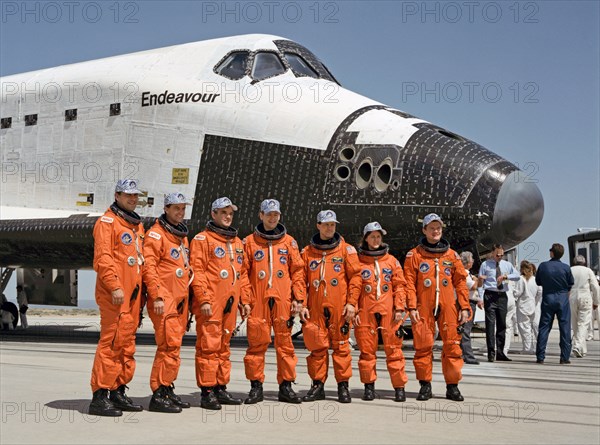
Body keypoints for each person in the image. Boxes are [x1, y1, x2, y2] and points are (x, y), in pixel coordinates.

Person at [89, 179, 145, 417]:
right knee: (111, 344)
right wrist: (114, 287)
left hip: (132, 297)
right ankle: (99, 396)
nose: (133, 199)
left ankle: (118, 391)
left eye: (135, 196)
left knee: (126, 345)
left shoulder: (135, 226)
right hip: (115, 296)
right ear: (117, 195)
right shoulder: (107, 223)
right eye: (128, 195)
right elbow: (103, 259)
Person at [190, 197, 251, 410]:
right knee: (209, 346)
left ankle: (220, 387)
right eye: (223, 213)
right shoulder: (202, 240)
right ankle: (207, 391)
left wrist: (245, 300)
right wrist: (204, 299)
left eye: (230, 214)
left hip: (231, 303)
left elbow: (242, 274)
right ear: (213, 214)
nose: (227, 217)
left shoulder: (236, 242)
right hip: (211, 303)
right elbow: (197, 272)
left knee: (224, 347)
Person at [242, 199, 305, 404]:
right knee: (256, 345)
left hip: (282, 299)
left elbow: (297, 272)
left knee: (285, 345)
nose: (272, 217)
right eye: (268, 214)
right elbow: (243, 274)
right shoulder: (249, 242)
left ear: (280, 215)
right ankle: (256, 387)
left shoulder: (289, 242)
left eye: (275, 214)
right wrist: (246, 299)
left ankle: (286, 386)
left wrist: (299, 298)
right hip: (258, 299)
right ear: (260, 215)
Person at [404, 214, 470, 401]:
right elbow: (408, 282)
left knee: (452, 346)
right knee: (423, 345)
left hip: (448, 306)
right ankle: (425, 385)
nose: (435, 231)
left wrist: (464, 306)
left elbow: (461, 283)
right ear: (424, 230)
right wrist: (412, 306)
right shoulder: (414, 255)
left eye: (438, 228)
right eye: (432, 228)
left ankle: (452, 386)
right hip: (423, 306)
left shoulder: (452, 255)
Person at [299, 210, 361, 403]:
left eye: (332, 224)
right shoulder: (307, 252)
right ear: (318, 225)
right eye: (325, 224)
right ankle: (318, 386)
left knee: (342, 348)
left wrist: (352, 303)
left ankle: (343, 386)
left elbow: (356, 278)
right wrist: (301, 303)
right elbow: (300, 279)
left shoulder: (346, 250)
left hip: (339, 308)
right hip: (315, 308)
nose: (329, 228)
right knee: (317, 348)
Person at [143, 193, 194, 413]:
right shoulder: (156, 235)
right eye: (176, 209)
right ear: (166, 209)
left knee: (174, 347)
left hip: (179, 300)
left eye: (183, 209)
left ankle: (167, 387)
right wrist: (157, 296)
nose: (180, 213)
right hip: (164, 300)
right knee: (167, 346)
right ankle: (158, 393)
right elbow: (149, 268)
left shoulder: (181, 236)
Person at [348, 222, 409, 402]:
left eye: (378, 237)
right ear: (366, 238)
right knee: (367, 352)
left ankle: (399, 387)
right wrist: (354, 309)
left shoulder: (391, 261)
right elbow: (354, 287)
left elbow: (399, 286)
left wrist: (399, 308)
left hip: (389, 311)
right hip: (365, 311)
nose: (376, 240)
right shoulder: (358, 262)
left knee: (394, 351)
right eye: (372, 236)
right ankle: (369, 387)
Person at [477, 244, 520, 362]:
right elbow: (480, 283)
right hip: (490, 295)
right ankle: (491, 352)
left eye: (501, 255)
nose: (499, 257)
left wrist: (506, 276)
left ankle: (500, 352)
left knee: (502, 325)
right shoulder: (485, 265)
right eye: (497, 255)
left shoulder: (507, 265)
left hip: (502, 296)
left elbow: (517, 276)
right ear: (492, 253)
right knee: (490, 325)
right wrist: (480, 298)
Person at [535, 243, 574, 364]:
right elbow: (570, 283)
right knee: (565, 328)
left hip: (548, 297)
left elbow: (538, 281)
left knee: (544, 327)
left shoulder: (543, 266)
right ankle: (564, 357)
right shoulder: (566, 268)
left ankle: (540, 356)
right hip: (562, 298)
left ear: (552, 253)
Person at [570, 255, 599, 358]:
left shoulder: (570, 270)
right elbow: (595, 287)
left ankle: (582, 350)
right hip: (585, 297)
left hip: (572, 298)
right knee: (583, 324)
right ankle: (577, 346)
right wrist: (596, 301)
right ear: (584, 262)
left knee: (575, 323)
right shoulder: (588, 271)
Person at [513, 261, 542, 354]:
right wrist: (535, 301)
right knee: (536, 327)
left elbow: (518, 292)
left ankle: (527, 348)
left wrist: (513, 293)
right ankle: (540, 347)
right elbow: (540, 292)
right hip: (534, 305)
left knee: (524, 327)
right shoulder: (536, 279)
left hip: (523, 306)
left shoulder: (521, 279)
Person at [459, 251, 482, 365]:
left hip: (470, 302)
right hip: (467, 303)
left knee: (464, 329)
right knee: (465, 330)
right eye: (471, 260)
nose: (473, 261)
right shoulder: (464, 273)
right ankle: (468, 356)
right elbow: (473, 286)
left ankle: (462, 354)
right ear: (467, 263)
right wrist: (478, 279)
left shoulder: (467, 274)